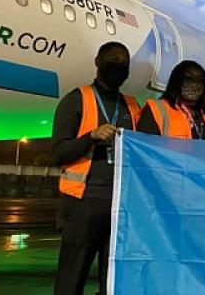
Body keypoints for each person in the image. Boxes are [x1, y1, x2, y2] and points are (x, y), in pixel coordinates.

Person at [51, 42, 140, 295]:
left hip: (120, 205)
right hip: (83, 203)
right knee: (71, 279)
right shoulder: (76, 100)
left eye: (124, 63)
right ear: (97, 62)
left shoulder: (132, 106)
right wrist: (90, 136)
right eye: (112, 60)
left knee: (113, 283)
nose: (118, 66)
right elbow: (58, 152)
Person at [138, 60, 205, 139]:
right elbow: (143, 145)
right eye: (189, 78)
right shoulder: (157, 110)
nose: (194, 83)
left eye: (200, 80)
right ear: (177, 81)